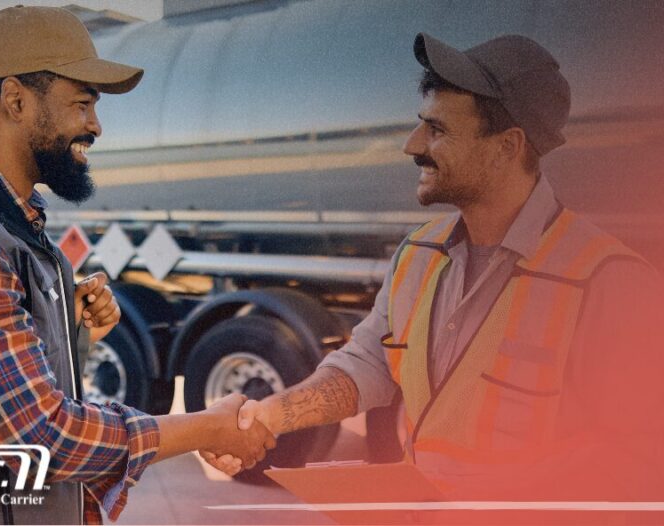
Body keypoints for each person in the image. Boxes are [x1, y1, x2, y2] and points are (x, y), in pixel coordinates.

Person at [0, 6, 274, 525]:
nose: (95, 126)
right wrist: (200, 428)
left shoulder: (12, 219)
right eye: (81, 104)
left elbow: (9, 390)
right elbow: (41, 438)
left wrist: (67, 330)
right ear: (15, 100)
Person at [205, 32, 664, 501]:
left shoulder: (610, 282)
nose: (412, 145)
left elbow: (644, 458)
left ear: (507, 146)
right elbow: (370, 364)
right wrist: (268, 415)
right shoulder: (418, 254)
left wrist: (486, 500)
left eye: (438, 130)